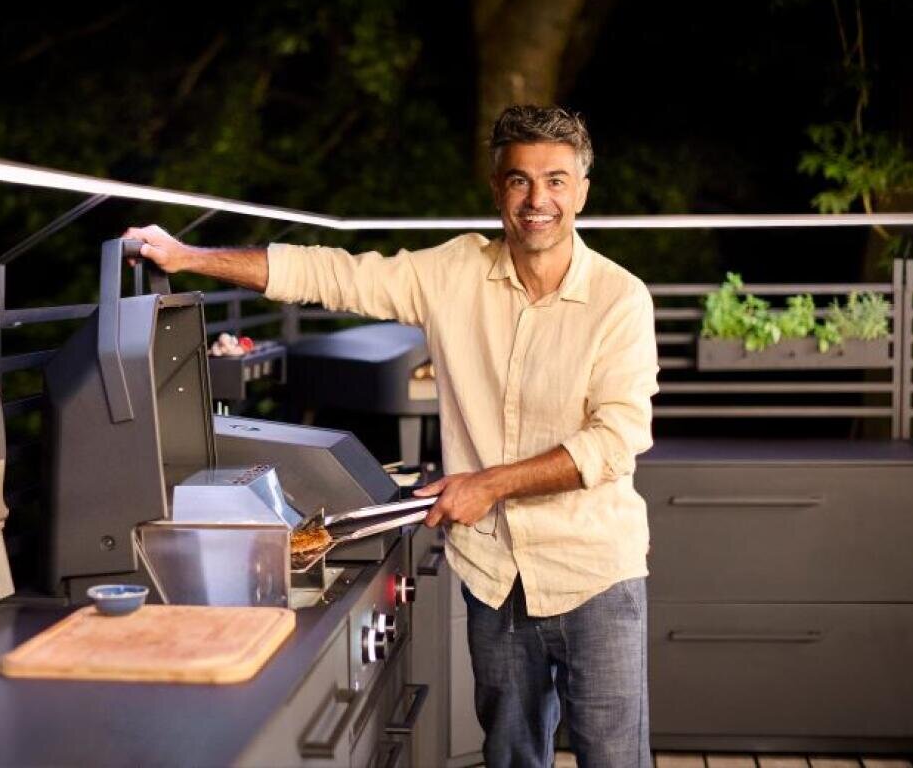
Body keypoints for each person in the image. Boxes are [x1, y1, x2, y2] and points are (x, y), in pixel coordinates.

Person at [124, 105, 657, 768]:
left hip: (594, 572)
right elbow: (335, 273)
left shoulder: (621, 300)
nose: (537, 198)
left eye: (555, 180)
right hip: (495, 574)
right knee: (512, 755)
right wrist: (186, 257)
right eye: (520, 181)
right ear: (497, 189)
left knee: (616, 757)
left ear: (580, 190)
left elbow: (615, 440)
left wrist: (487, 484)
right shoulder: (453, 271)